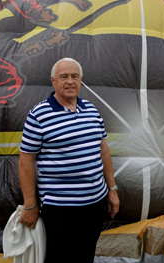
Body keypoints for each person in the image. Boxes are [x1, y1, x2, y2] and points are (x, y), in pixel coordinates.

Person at [18, 57, 120, 262]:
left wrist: (112, 189)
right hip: (60, 208)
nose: (70, 81)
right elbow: (25, 160)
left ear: (81, 80)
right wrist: (30, 204)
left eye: (75, 76)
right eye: (64, 77)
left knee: (86, 254)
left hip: (95, 203)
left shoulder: (91, 110)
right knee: (59, 257)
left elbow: (104, 151)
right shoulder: (39, 115)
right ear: (53, 81)